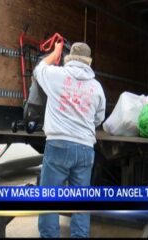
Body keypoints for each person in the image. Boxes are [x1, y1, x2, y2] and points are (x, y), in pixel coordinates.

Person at [34, 42, 106, 238]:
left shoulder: (56, 75)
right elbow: (99, 118)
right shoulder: (97, 87)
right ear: (89, 62)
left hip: (58, 145)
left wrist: (54, 52)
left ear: (69, 57)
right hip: (85, 148)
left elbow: (38, 69)